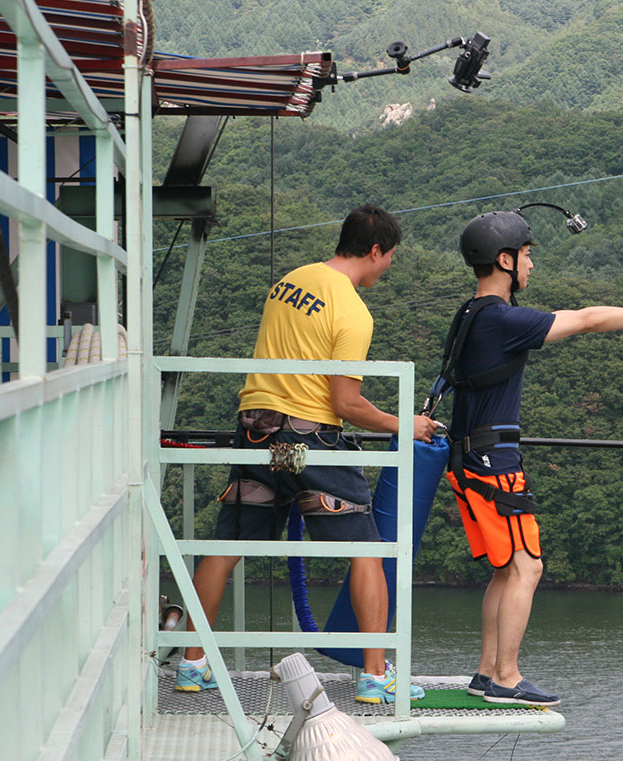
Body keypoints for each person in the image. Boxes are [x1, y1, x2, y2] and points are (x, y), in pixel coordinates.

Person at [176, 204, 440, 704]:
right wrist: (405, 425)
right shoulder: (354, 312)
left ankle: (192, 665)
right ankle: (375, 676)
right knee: (366, 549)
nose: (387, 268)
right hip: (312, 439)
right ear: (376, 250)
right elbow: (346, 403)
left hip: (255, 430)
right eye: (390, 259)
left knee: (226, 547)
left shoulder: (289, 281)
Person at [444, 210, 623, 706]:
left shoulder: (470, 315)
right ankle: (506, 676)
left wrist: (621, 322)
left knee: (505, 567)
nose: (531, 266)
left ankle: (485, 671)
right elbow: (585, 318)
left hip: (470, 456)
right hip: (494, 463)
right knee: (526, 568)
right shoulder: (500, 319)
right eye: (527, 256)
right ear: (504, 259)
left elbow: (584, 323)